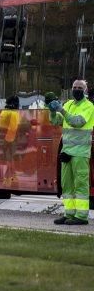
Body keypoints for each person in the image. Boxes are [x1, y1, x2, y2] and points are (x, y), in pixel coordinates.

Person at [49, 80, 94, 225]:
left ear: (85, 90)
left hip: (81, 153)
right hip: (67, 152)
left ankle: (81, 217)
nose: (76, 90)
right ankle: (69, 214)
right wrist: (52, 111)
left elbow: (78, 121)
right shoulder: (68, 104)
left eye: (80, 88)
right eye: (74, 87)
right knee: (67, 185)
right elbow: (56, 122)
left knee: (80, 185)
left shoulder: (89, 106)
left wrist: (61, 110)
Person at [0, 95, 20, 185]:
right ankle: (8, 179)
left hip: (2, 139)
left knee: (9, 159)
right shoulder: (13, 113)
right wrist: (8, 141)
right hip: (10, 140)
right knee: (10, 160)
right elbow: (13, 128)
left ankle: (13, 177)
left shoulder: (4, 112)